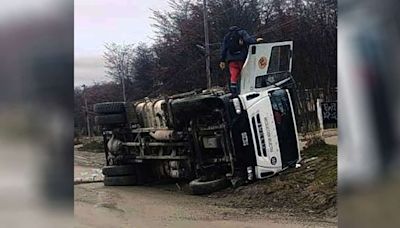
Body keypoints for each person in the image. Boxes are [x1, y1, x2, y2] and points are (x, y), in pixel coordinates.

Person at [220, 26, 261, 94]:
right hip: (242, 58)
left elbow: (224, 49)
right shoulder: (242, 32)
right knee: (246, 74)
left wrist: (222, 60)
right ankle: (247, 90)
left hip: (231, 60)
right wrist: (256, 41)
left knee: (233, 76)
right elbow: (248, 40)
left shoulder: (227, 36)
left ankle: (234, 92)